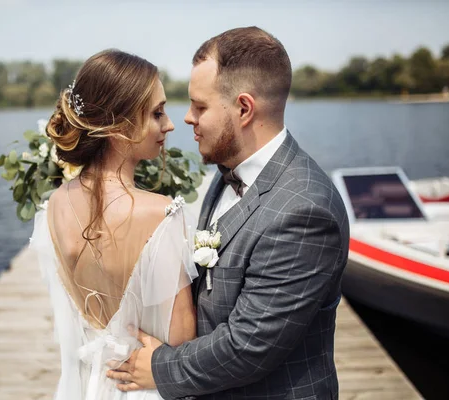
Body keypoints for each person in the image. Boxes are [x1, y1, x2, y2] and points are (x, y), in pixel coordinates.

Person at [107, 26, 350, 399]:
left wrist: (157, 368)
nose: (186, 118)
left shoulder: (305, 210)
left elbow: (247, 348)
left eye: (200, 106)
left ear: (244, 108)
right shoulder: (227, 173)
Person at [29, 49, 199, 399]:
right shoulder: (160, 212)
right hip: (142, 386)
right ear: (119, 125)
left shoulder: (55, 204)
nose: (169, 124)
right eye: (157, 113)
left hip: (87, 384)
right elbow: (182, 339)